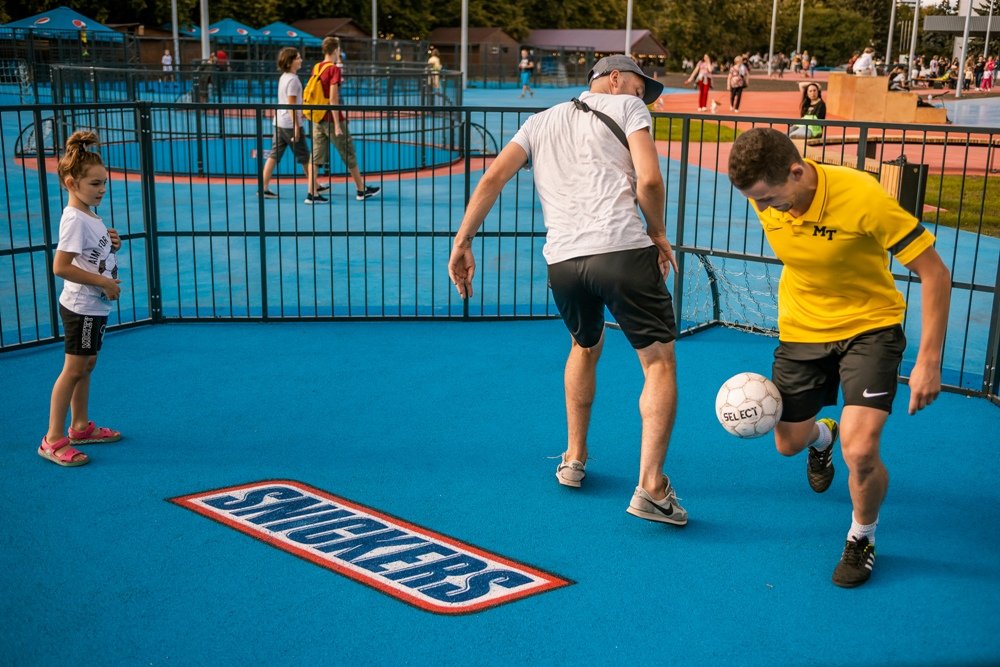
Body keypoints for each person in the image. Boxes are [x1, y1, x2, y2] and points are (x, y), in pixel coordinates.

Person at [447, 55, 687, 526]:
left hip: (563, 261)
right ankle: (652, 487)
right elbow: (651, 180)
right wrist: (657, 233)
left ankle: (574, 457)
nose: (644, 99)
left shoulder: (538, 121)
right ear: (614, 79)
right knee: (658, 363)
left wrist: (462, 242)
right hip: (622, 250)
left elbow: (493, 177)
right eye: (641, 87)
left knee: (584, 345)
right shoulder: (628, 109)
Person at [726, 128, 951, 587]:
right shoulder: (764, 194)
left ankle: (861, 537)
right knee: (787, 443)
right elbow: (778, 212)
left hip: (870, 326)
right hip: (803, 327)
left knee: (862, 448)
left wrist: (928, 359)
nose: (765, 209)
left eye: (770, 199)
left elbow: (935, 273)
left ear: (796, 171)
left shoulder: (862, 197)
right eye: (758, 201)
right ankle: (820, 440)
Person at [40, 130, 123, 467]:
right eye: (94, 184)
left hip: (94, 306)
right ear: (72, 183)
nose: (102, 189)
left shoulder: (88, 214)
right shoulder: (74, 218)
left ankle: (79, 427)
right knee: (73, 369)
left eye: (104, 183)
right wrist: (103, 281)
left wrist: (111, 242)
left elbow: (88, 254)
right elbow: (61, 266)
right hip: (81, 307)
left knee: (87, 365)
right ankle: (53, 439)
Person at [311, 36, 381, 201]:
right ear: (335, 50)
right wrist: (337, 124)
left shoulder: (317, 67)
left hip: (318, 117)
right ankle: (360, 189)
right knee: (348, 153)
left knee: (316, 156)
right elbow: (333, 98)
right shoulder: (333, 69)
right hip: (332, 118)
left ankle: (311, 192)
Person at [260, 47, 323, 203]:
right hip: (289, 124)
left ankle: (263, 188)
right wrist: (296, 125)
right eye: (298, 58)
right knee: (306, 158)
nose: (301, 60)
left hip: (279, 122)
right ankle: (313, 191)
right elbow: (291, 105)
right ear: (290, 61)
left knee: (274, 155)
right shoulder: (294, 80)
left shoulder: (284, 77)